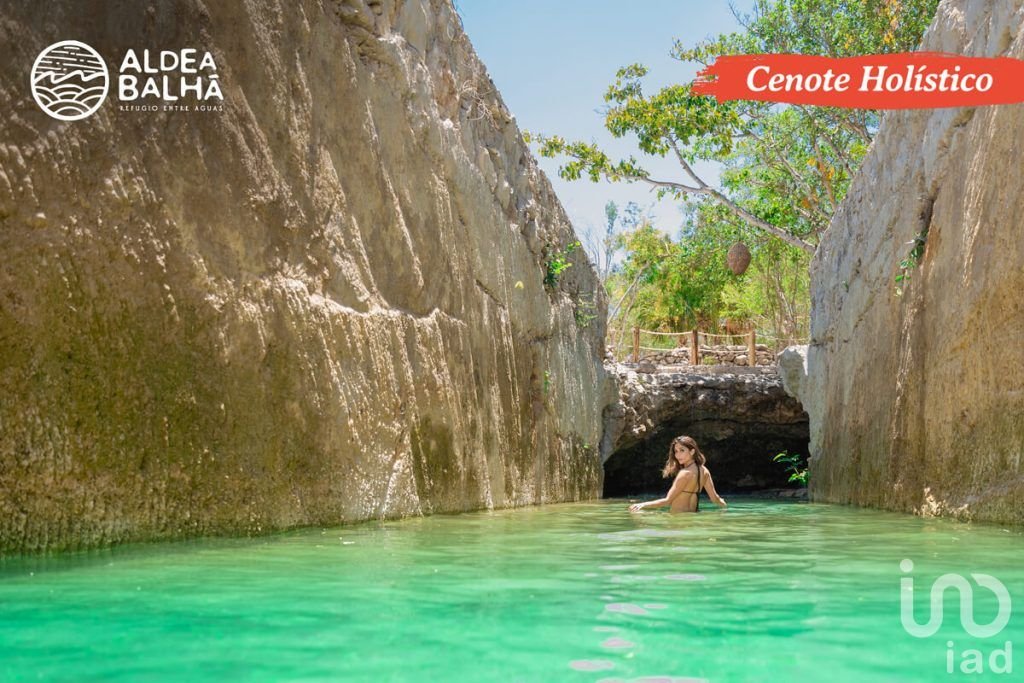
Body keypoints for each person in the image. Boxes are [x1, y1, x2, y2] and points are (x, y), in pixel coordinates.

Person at [628, 435, 727, 512]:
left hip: (678, 520)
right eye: (676, 451)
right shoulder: (704, 470)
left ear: (692, 451)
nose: (678, 455)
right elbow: (714, 498)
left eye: (682, 450)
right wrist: (723, 504)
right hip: (693, 517)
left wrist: (643, 505)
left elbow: (667, 501)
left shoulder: (684, 473)